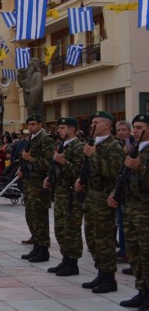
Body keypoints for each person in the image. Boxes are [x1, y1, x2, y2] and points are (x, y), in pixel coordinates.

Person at [76, 111, 123, 293]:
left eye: (96, 122)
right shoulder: (92, 143)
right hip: (90, 197)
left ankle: (109, 278)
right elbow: (87, 169)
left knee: (104, 239)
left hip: (104, 199)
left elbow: (112, 172)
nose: (92, 125)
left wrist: (93, 155)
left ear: (107, 125)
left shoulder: (114, 146)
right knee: (92, 237)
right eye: (92, 122)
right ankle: (101, 272)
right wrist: (80, 180)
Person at [114, 114, 149, 311]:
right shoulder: (134, 150)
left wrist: (140, 167)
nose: (135, 131)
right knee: (134, 252)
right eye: (134, 127)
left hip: (145, 210)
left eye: (139, 127)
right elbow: (124, 177)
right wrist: (115, 194)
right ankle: (142, 289)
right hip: (131, 208)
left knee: (146, 253)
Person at [43, 118, 84, 277]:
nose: (59, 130)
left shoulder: (78, 147)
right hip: (59, 194)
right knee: (60, 229)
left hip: (71, 196)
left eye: (62, 128)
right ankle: (65, 259)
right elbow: (55, 167)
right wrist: (49, 178)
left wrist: (64, 161)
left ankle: (73, 262)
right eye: (58, 128)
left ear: (72, 130)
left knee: (71, 229)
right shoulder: (60, 145)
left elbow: (80, 173)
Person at [19, 115, 55, 262]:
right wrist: (22, 168)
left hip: (39, 184)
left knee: (40, 217)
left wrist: (30, 159)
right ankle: (36, 245)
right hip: (29, 183)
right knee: (31, 215)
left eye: (34, 124)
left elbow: (48, 162)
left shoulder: (46, 139)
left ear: (40, 124)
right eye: (29, 124)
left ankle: (43, 248)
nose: (31, 127)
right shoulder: (31, 139)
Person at [115, 120, 133, 263]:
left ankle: (128, 251)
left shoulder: (133, 144)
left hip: (131, 190)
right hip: (118, 188)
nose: (121, 132)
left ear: (129, 130)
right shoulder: (116, 145)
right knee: (120, 221)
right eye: (119, 130)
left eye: (124, 130)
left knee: (128, 222)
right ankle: (122, 249)